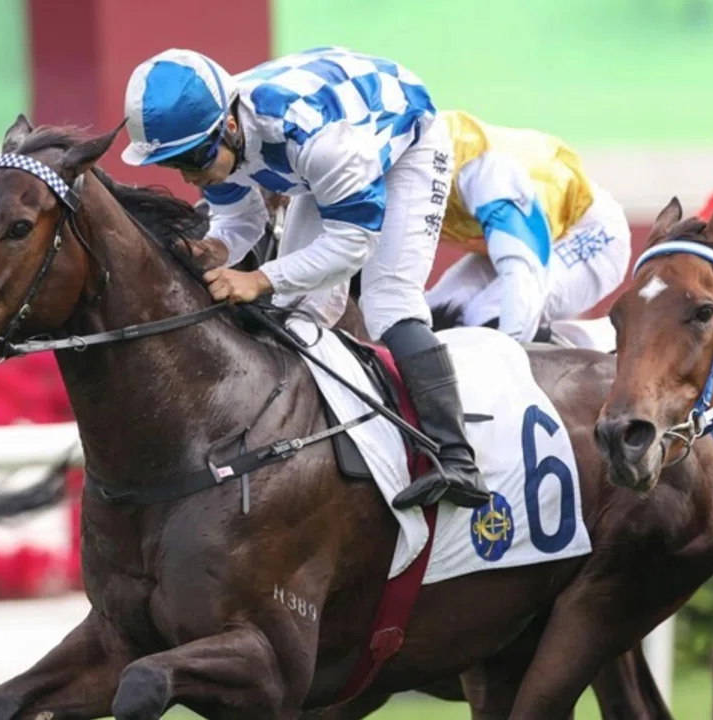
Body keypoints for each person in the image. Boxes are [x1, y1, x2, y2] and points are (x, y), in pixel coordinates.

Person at [120, 47, 489, 509]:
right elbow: (239, 219)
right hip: (319, 159)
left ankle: (457, 458)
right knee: (297, 315)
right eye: (174, 164)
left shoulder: (317, 141)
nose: (190, 177)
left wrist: (257, 279)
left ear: (229, 126)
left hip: (403, 142)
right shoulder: (217, 136)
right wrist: (213, 248)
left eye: (193, 159)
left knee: (388, 301)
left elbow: (353, 243)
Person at [424, 110, 631, 342]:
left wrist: (508, 345)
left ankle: (587, 363)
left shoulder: (483, 173)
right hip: (521, 232)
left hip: (586, 229)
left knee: (489, 317)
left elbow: (522, 272)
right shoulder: (398, 171)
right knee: (431, 316)